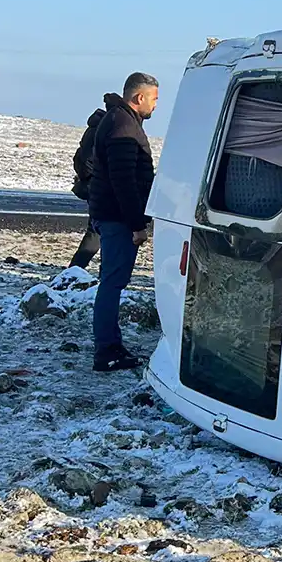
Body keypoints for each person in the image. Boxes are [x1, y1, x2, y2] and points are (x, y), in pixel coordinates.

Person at [87, 72, 160, 373]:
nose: (156, 106)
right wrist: (136, 225)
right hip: (117, 219)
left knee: (111, 281)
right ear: (139, 97)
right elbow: (123, 181)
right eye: (154, 99)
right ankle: (107, 351)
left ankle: (110, 345)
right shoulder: (123, 126)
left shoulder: (122, 121)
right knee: (112, 283)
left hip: (111, 215)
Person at [67, 107, 107, 271]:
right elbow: (89, 161)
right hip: (99, 189)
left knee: (96, 232)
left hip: (94, 187)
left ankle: (74, 270)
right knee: (98, 233)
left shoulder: (93, 129)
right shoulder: (102, 129)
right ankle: (77, 270)